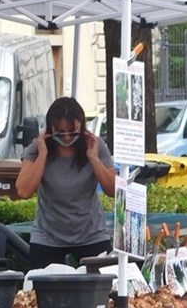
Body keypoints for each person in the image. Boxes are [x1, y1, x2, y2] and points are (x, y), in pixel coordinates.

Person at [16, 96, 116, 269]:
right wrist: (43, 155)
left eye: (73, 132)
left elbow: (113, 190)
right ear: (50, 128)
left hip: (91, 233)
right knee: (44, 290)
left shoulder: (95, 145)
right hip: (48, 235)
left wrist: (93, 158)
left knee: (102, 288)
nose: (68, 138)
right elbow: (23, 191)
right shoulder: (37, 148)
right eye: (61, 132)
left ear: (82, 127)